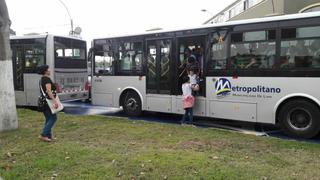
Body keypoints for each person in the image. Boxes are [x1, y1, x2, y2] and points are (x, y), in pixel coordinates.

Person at [37, 65, 59, 142]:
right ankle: (43, 135)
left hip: (43, 102)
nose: (50, 70)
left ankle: (48, 136)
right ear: (45, 71)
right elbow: (49, 91)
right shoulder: (46, 79)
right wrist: (54, 101)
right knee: (53, 118)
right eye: (48, 69)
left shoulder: (42, 79)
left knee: (48, 118)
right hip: (47, 102)